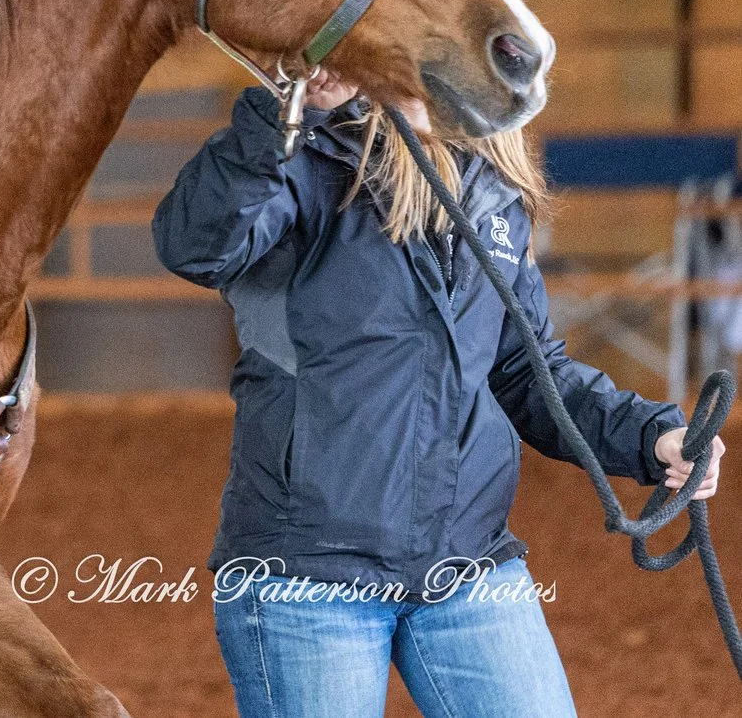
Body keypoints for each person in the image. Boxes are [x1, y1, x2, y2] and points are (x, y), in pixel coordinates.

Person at [155, 74, 722, 718]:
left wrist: (652, 437)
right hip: (308, 570)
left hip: (466, 559)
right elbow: (197, 245)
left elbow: (529, 373)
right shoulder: (302, 165)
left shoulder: (494, 199)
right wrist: (283, 115)